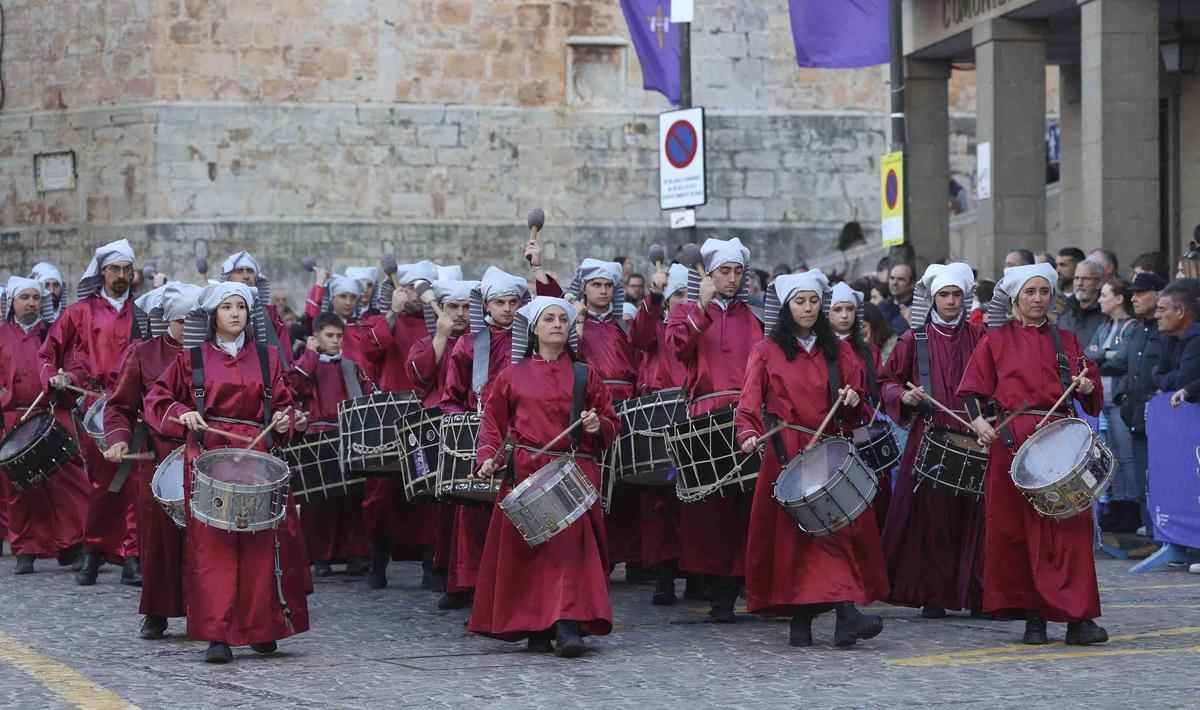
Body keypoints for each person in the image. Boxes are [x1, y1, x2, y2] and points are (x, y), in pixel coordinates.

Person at [144, 282, 310, 663]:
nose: (235, 313)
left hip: (258, 456)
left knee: (260, 544)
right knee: (212, 550)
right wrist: (180, 413)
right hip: (209, 453)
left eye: (241, 307)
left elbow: (284, 404)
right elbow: (158, 399)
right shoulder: (192, 359)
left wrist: (288, 421)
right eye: (226, 307)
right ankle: (217, 633)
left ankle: (261, 628)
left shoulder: (268, 357)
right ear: (212, 315)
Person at [735, 269, 887, 648]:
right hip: (788, 451)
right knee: (798, 538)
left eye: (814, 301)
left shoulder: (841, 352)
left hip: (830, 452)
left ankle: (826, 619)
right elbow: (749, 405)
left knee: (831, 532)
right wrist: (748, 434)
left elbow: (856, 410)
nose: (807, 308)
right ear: (786, 308)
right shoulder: (767, 351)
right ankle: (830, 617)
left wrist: (853, 402)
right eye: (800, 301)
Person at [958, 262, 1107, 646]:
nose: (1038, 299)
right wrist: (979, 422)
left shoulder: (1067, 340)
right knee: (1019, 532)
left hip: (1061, 442)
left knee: (1071, 530)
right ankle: (1034, 618)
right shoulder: (994, 340)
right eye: (1030, 292)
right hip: (1014, 446)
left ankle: (1079, 618)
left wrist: (1087, 385)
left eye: (1044, 292)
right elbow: (972, 393)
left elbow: (1087, 388)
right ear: (1016, 297)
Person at [470, 296, 619, 657]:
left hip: (571, 475)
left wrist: (599, 424)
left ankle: (567, 625)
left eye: (562, 320)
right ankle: (536, 625)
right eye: (548, 319)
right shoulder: (511, 376)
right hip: (526, 473)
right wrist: (488, 457)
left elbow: (612, 422)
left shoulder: (586, 374)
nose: (556, 324)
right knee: (532, 554)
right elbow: (491, 426)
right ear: (534, 329)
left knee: (569, 553)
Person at [666, 237, 764, 623]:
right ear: (707, 274)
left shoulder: (755, 315)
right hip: (706, 416)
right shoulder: (684, 312)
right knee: (712, 510)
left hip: (749, 415)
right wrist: (702, 305)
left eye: (738, 272)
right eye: (725, 271)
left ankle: (739, 587)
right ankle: (716, 589)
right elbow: (678, 348)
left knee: (748, 506)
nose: (733, 278)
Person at [880, 263, 986, 618]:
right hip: (930, 435)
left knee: (974, 515)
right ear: (933, 298)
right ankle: (934, 592)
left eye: (957, 295)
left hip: (975, 435)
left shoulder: (980, 337)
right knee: (932, 515)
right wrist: (903, 397)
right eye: (944, 295)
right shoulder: (915, 339)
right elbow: (887, 381)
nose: (951, 302)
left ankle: (974, 591)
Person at [38, 239, 146, 586]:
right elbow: (47, 353)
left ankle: (131, 556)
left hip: (132, 406)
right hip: (91, 405)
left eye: (126, 269)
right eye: (114, 269)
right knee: (102, 483)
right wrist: (56, 376)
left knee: (131, 482)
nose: (121, 275)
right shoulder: (78, 313)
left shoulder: (143, 314)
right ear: (101, 272)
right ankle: (95, 550)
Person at [103, 281, 202, 639]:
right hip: (156, 456)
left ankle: (205, 611)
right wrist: (117, 439)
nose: (190, 327)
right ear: (170, 320)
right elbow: (119, 406)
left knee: (204, 540)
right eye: (184, 321)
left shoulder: (209, 352)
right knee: (158, 538)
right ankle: (157, 611)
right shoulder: (143, 353)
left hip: (202, 454)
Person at [440, 266, 529, 610]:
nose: (507, 308)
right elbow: (452, 396)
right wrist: (462, 430)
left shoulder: (530, 338)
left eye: (513, 302)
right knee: (475, 513)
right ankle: (474, 587)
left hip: (521, 434)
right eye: (500, 302)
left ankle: (513, 589)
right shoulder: (468, 344)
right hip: (482, 435)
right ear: (487, 306)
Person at [359, 261, 441, 590]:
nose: (416, 295)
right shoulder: (381, 321)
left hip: (427, 413)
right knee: (380, 492)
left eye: (422, 288)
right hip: (389, 415)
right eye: (410, 288)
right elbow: (368, 349)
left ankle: (431, 564)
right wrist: (391, 314)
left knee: (430, 489)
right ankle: (377, 559)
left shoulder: (439, 322)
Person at [0, 277, 88, 575]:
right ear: (12, 301)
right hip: (14, 419)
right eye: (24, 297)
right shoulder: (0, 336)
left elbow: (78, 368)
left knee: (66, 482)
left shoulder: (53, 335)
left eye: (36, 298)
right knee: (19, 488)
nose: (31, 303)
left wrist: (67, 380)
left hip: (50, 412)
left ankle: (74, 544)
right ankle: (25, 549)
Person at [404, 278, 477, 607]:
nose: (460, 314)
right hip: (439, 428)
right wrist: (441, 336)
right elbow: (419, 376)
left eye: (465, 307)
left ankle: (472, 580)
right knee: (442, 508)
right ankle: (445, 576)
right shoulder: (428, 342)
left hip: (475, 428)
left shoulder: (483, 343)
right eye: (452, 307)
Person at [290, 312, 374, 578]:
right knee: (319, 502)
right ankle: (320, 556)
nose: (336, 341)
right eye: (329, 335)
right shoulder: (307, 364)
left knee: (351, 499)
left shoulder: (350, 366)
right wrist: (311, 355)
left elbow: (365, 396)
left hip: (347, 435)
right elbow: (294, 387)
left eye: (339, 336)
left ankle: (354, 553)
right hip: (317, 437)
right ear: (315, 337)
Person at [628, 263, 689, 605]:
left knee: (696, 502)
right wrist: (653, 296)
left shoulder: (700, 325)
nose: (683, 302)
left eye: (687, 295)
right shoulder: (656, 326)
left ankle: (697, 575)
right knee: (658, 503)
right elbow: (637, 336)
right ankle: (663, 577)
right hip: (657, 418)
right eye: (677, 296)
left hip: (690, 416)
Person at [826, 282, 890, 527]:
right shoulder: (822, 349)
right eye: (837, 309)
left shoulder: (868, 351)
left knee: (873, 487)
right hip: (831, 427)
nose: (844, 315)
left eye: (850, 309)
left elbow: (880, 386)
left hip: (864, 425)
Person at [1083, 279, 1139, 532]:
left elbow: (1123, 360)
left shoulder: (1131, 326)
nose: (1100, 300)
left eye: (1105, 295)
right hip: (1100, 402)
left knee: (1125, 457)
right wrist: (1107, 355)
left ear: (1118, 299)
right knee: (1109, 457)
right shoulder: (1104, 326)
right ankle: (1115, 504)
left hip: (1118, 400)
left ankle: (1130, 506)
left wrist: (1102, 356)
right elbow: (1087, 356)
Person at [1112, 272, 1165, 534]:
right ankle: (1151, 533)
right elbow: (1127, 366)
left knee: (1160, 479)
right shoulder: (1137, 328)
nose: (1133, 298)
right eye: (1132, 293)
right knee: (1142, 478)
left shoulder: (1164, 328)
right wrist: (1123, 395)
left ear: (1157, 294)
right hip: (1134, 415)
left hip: (1159, 416)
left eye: (1140, 293)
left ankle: (1162, 535)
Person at [220, 252, 291, 365]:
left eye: (249, 271)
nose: (246, 276)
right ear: (228, 277)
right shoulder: (217, 312)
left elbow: (284, 352)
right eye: (239, 271)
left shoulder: (272, 313)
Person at [1154, 282, 1200, 405]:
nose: (1157, 315)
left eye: (1162, 309)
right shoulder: (1167, 337)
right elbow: (1157, 377)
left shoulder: (1197, 336)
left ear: (1180, 312)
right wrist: (1179, 372)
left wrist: (1176, 376)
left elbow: (1184, 381)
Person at [1059, 260, 1106, 347]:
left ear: (1099, 283)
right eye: (1076, 278)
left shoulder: (1106, 315)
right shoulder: (1064, 312)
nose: (1079, 283)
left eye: (1085, 279)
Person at [879, 263, 915, 335]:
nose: (895, 282)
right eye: (892, 278)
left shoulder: (920, 308)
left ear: (912, 284)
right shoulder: (881, 306)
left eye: (901, 279)